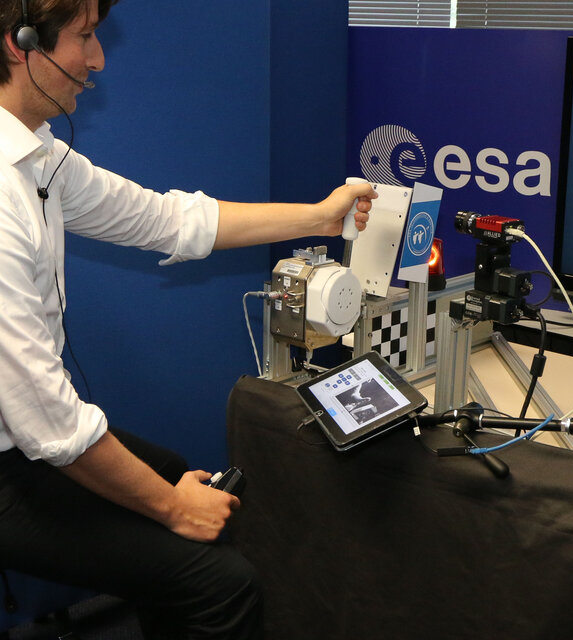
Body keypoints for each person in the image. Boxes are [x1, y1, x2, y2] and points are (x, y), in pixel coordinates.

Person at [0, 0, 375, 638]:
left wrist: (319, 217)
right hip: (15, 460)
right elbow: (49, 420)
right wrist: (174, 509)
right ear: (21, 43)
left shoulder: (36, 157)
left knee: (196, 487)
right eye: (85, 38)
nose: (98, 59)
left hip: (28, 440)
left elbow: (168, 219)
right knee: (220, 585)